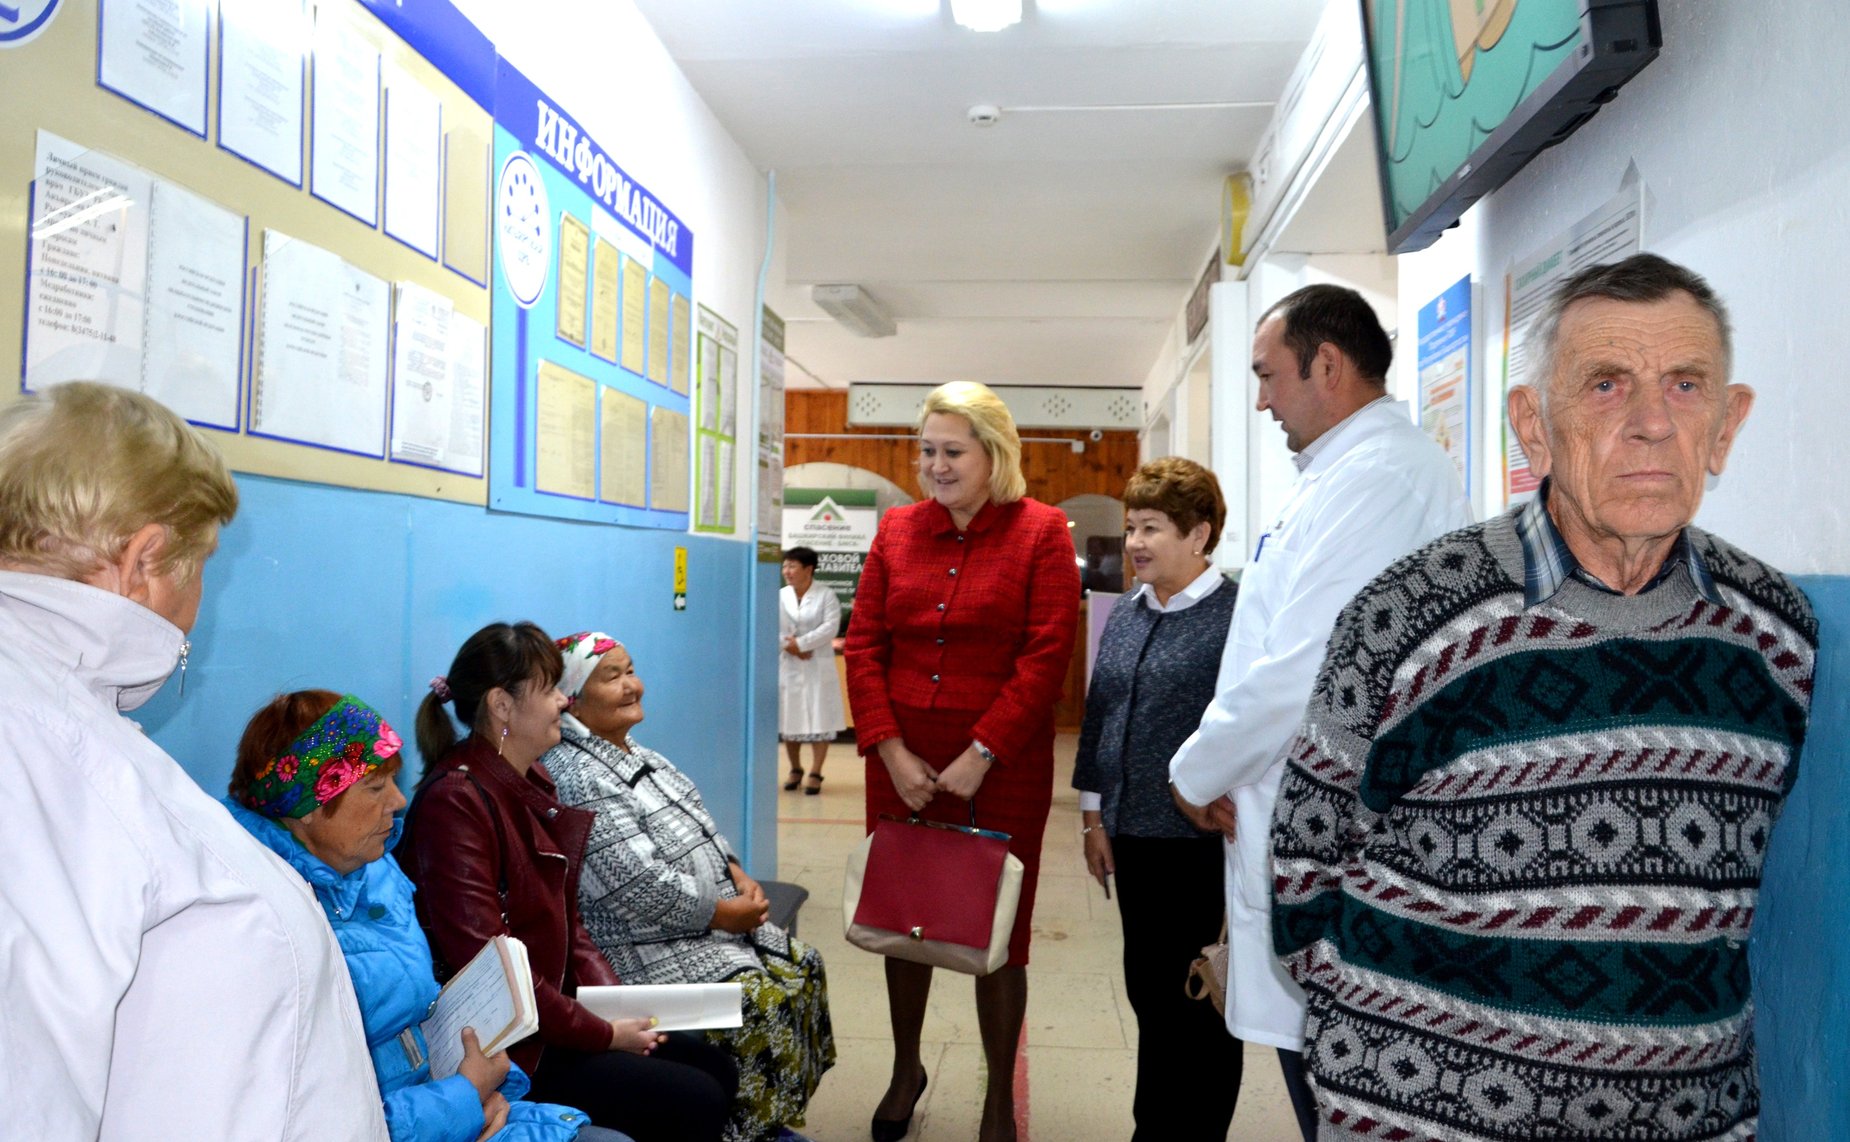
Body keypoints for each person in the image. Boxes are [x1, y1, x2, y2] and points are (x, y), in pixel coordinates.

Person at [1271, 254, 1816, 1141]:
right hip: (1426, 1117)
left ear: (1727, 425)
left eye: (1685, 385)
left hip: (1687, 1120)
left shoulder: (1776, 636)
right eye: (1606, 385)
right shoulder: (1412, 613)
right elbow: (1304, 866)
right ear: (1534, 426)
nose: (1649, 424)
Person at [0, 382, 387, 1139]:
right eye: (202, 562)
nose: (197, 600)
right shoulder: (37, 748)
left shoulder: (68, 719)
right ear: (143, 561)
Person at [1166, 284, 1473, 1140]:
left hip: (1340, 848)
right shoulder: (1345, 473)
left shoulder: (1383, 478)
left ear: (1327, 366)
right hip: (1301, 827)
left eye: (1269, 376)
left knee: (1341, 1092)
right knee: (1319, 1077)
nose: (1261, 399)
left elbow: (1308, 668)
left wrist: (1195, 772)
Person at [224, 689, 633, 1142]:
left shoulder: (375, 869)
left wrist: (485, 1095)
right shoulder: (260, 915)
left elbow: (419, 1023)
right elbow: (314, 1120)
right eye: (375, 787)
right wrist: (464, 1099)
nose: (399, 801)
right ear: (308, 807)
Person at [845, 380, 1081, 1142]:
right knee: (904, 917)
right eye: (927, 451)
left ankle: (993, 1098)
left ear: (994, 454)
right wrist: (888, 746)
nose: (935, 466)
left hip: (1001, 767)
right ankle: (906, 1067)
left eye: (952, 451)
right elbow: (866, 644)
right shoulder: (896, 532)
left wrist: (984, 750)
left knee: (999, 932)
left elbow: (1048, 653)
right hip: (900, 761)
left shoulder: (1041, 532)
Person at [400, 621, 739, 1142]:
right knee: (694, 1096)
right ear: (502, 706)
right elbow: (492, 970)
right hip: (513, 1047)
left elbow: (568, 924)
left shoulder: (529, 782)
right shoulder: (456, 802)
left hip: (549, 1018)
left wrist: (616, 1010)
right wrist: (602, 1034)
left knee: (714, 1067)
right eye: (550, 688)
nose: (563, 700)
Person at [545, 631, 836, 1142]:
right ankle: (743, 1130)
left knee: (804, 965)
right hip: (641, 945)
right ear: (572, 697)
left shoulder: (639, 753)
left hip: (697, 922)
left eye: (630, 669)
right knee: (758, 999)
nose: (633, 685)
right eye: (612, 677)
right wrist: (726, 914)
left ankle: (769, 1119)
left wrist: (736, 870)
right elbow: (639, 887)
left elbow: (698, 820)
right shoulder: (576, 773)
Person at [1072, 457, 1242, 1140]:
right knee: (1148, 990)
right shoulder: (1127, 612)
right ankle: (1154, 1126)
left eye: (1153, 528)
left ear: (1199, 535)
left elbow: (1254, 724)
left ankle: (1193, 1131)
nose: (1136, 542)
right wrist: (1092, 814)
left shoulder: (1235, 618)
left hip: (1201, 845)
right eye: (1132, 526)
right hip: (1132, 835)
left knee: (1200, 999)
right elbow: (1101, 712)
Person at [778, 546, 845, 793]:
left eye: (793, 566)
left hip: (817, 664)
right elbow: (769, 626)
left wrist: (803, 643)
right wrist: (790, 646)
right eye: (785, 566)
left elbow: (830, 627)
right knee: (789, 719)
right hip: (789, 664)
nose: (787, 571)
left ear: (809, 569)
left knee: (820, 717)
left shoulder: (826, 595)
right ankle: (795, 768)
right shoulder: (780, 596)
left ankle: (816, 771)